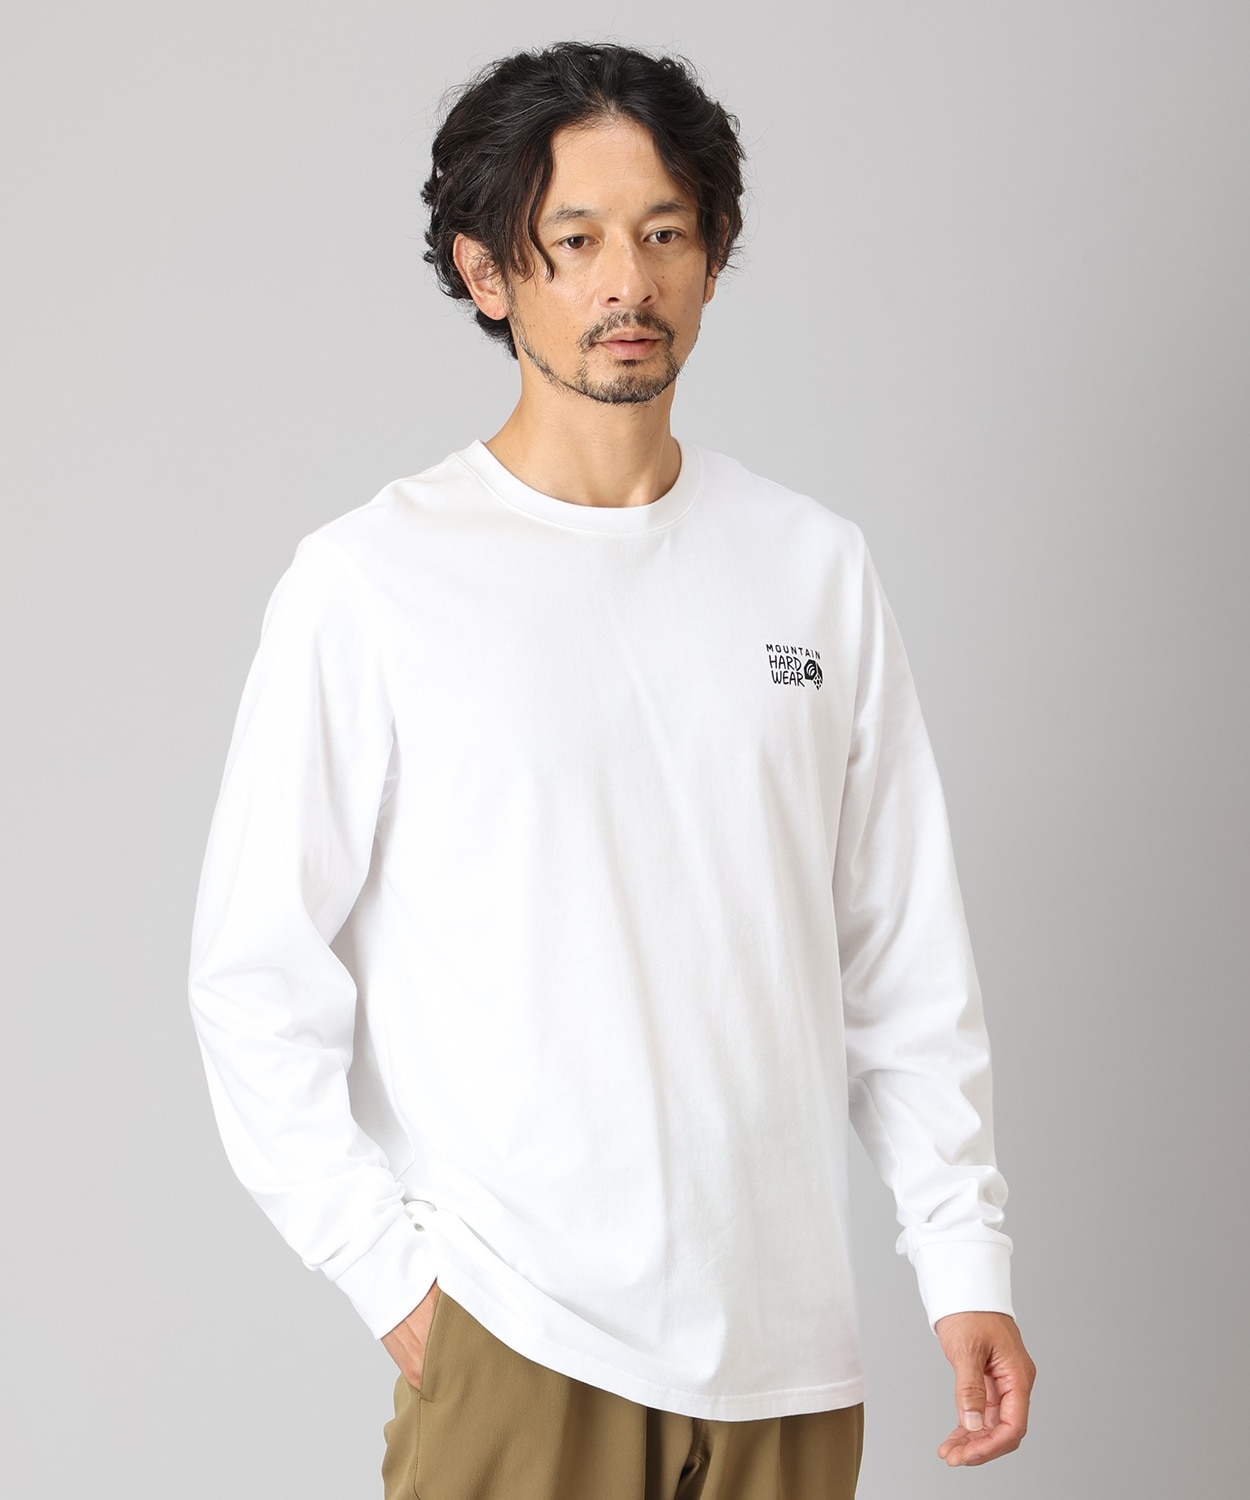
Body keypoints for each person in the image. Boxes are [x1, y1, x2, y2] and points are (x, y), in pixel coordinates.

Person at [188, 41, 1035, 1500]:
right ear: (486, 273)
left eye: (663, 234)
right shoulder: (374, 580)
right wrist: (390, 1277)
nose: (626, 284)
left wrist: (963, 1259)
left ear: (712, 258)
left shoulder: (812, 567)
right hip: (524, 1336)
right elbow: (251, 974)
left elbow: (899, 956)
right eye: (572, 242)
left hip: (790, 1358)